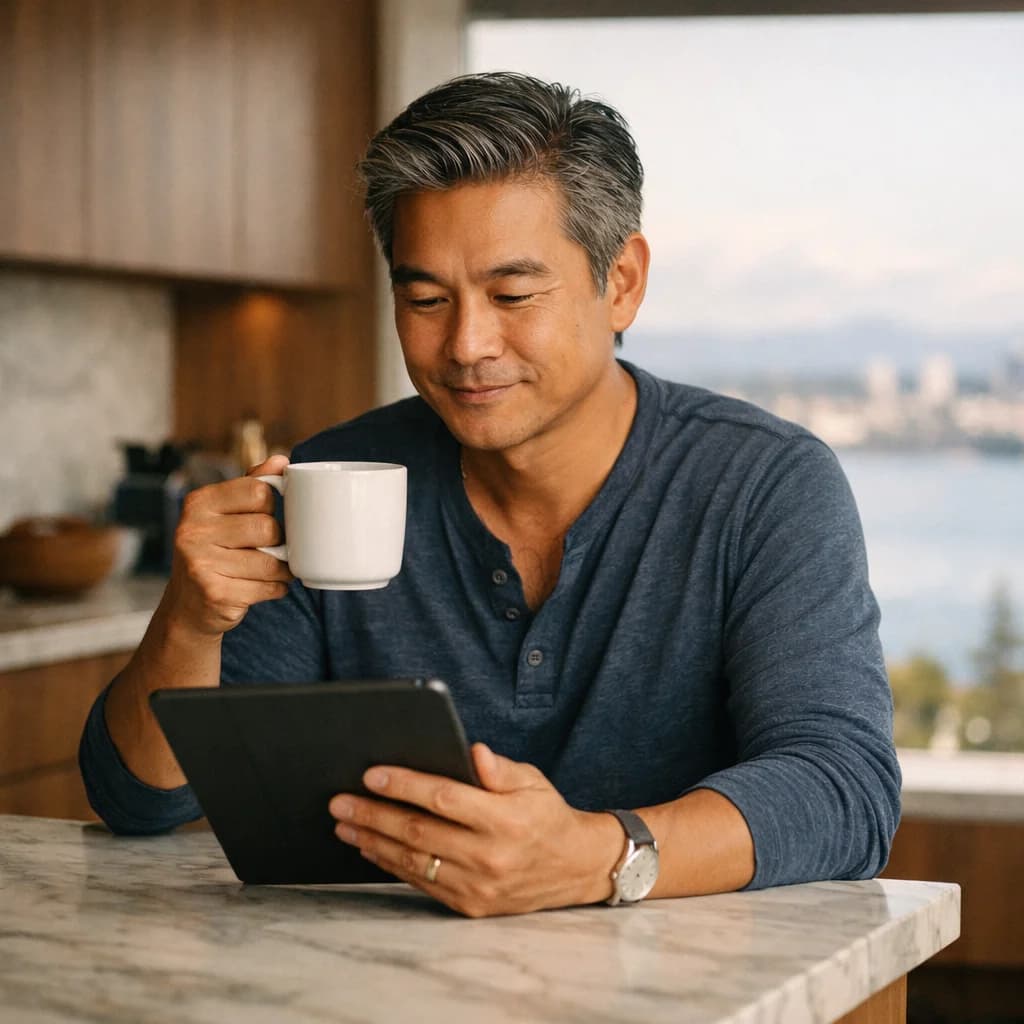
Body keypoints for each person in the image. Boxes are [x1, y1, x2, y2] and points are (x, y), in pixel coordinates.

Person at [80, 72, 900, 917]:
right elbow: (142, 803)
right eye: (426, 298)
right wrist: (187, 621)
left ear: (621, 280)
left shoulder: (762, 483)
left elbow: (844, 788)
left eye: (513, 295)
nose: (467, 345)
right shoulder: (331, 482)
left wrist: (600, 857)